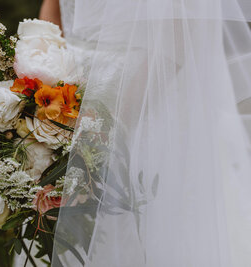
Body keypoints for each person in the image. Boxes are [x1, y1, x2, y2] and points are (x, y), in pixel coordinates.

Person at [40, 0, 251, 266]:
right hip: (61, 93)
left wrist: (100, 133)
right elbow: (54, 8)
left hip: (145, 100)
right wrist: (37, 74)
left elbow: (178, 33)